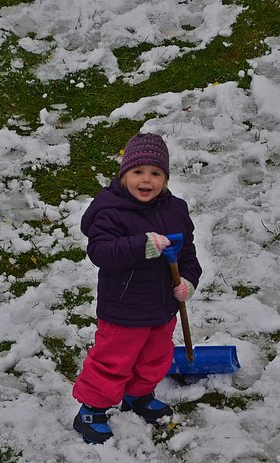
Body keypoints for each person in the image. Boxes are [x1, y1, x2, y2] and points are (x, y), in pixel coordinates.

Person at [72, 132, 202, 444]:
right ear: (124, 174)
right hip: (123, 309)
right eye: (138, 172)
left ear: (166, 179)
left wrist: (188, 281)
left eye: (155, 173)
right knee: (113, 361)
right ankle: (91, 410)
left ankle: (138, 396)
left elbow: (188, 254)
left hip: (162, 308)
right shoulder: (111, 211)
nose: (146, 180)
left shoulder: (176, 210)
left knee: (155, 358)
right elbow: (101, 252)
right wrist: (140, 246)